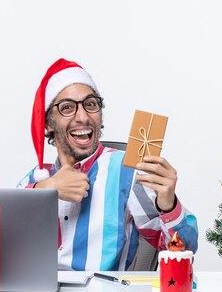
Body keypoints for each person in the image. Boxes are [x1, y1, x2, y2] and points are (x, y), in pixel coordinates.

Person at [17, 58, 198, 271]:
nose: (83, 117)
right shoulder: (35, 179)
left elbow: (183, 248)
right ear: (48, 123)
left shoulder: (127, 171)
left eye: (90, 104)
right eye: (67, 108)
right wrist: (44, 191)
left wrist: (168, 205)